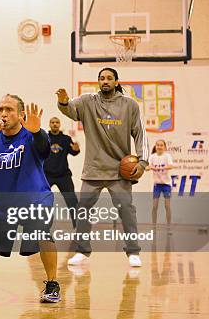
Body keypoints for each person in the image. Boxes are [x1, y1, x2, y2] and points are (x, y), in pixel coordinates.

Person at [0, 96, 61, 303]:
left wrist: (36, 131)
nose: (3, 114)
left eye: (9, 109)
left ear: (21, 115)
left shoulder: (31, 135)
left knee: (43, 235)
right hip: (0, 204)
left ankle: (52, 284)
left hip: (35, 201)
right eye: (0, 109)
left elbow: (44, 150)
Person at [57, 67, 149, 268]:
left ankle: (133, 251)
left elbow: (141, 134)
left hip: (120, 171)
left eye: (109, 78)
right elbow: (70, 110)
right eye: (101, 78)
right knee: (83, 210)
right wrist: (63, 101)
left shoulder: (130, 105)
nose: (105, 81)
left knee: (126, 210)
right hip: (94, 169)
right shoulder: (88, 101)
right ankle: (82, 251)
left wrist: (142, 162)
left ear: (117, 81)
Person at [43, 117, 80, 229]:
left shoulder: (66, 139)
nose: (55, 124)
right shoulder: (44, 138)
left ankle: (78, 227)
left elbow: (73, 152)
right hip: (46, 175)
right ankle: (40, 227)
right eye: (52, 122)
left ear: (59, 124)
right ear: (49, 124)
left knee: (72, 201)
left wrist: (76, 149)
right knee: (40, 200)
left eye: (57, 122)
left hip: (63, 175)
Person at [146, 140, 174, 229]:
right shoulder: (152, 157)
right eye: (157, 145)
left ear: (164, 147)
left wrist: (160, 167)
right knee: (154, 206)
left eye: (161, 145)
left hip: (166, 184)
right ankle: (153, 226)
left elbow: (171, 166)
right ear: (155, 146)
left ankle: (168, 225)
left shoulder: (167, 156)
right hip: (157, 185)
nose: (159, 146)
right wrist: (149, 167)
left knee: (167, 206)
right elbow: (146, 167)